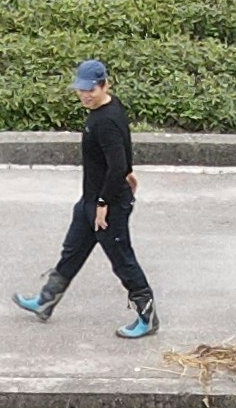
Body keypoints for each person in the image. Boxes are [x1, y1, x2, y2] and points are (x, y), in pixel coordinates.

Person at [15, 58, 158, 340]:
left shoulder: (105, 121)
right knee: (72, 250)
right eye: (80, 89)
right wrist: (125, 174)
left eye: (90, 89)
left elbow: (116, 164)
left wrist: (104, 203)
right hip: (89, 201)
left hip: (108, 205)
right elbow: (119, 157)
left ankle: (148, 316)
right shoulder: (107, 109)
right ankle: (46, 301)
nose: (84, 95)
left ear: (105, 84)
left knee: (122, 260)